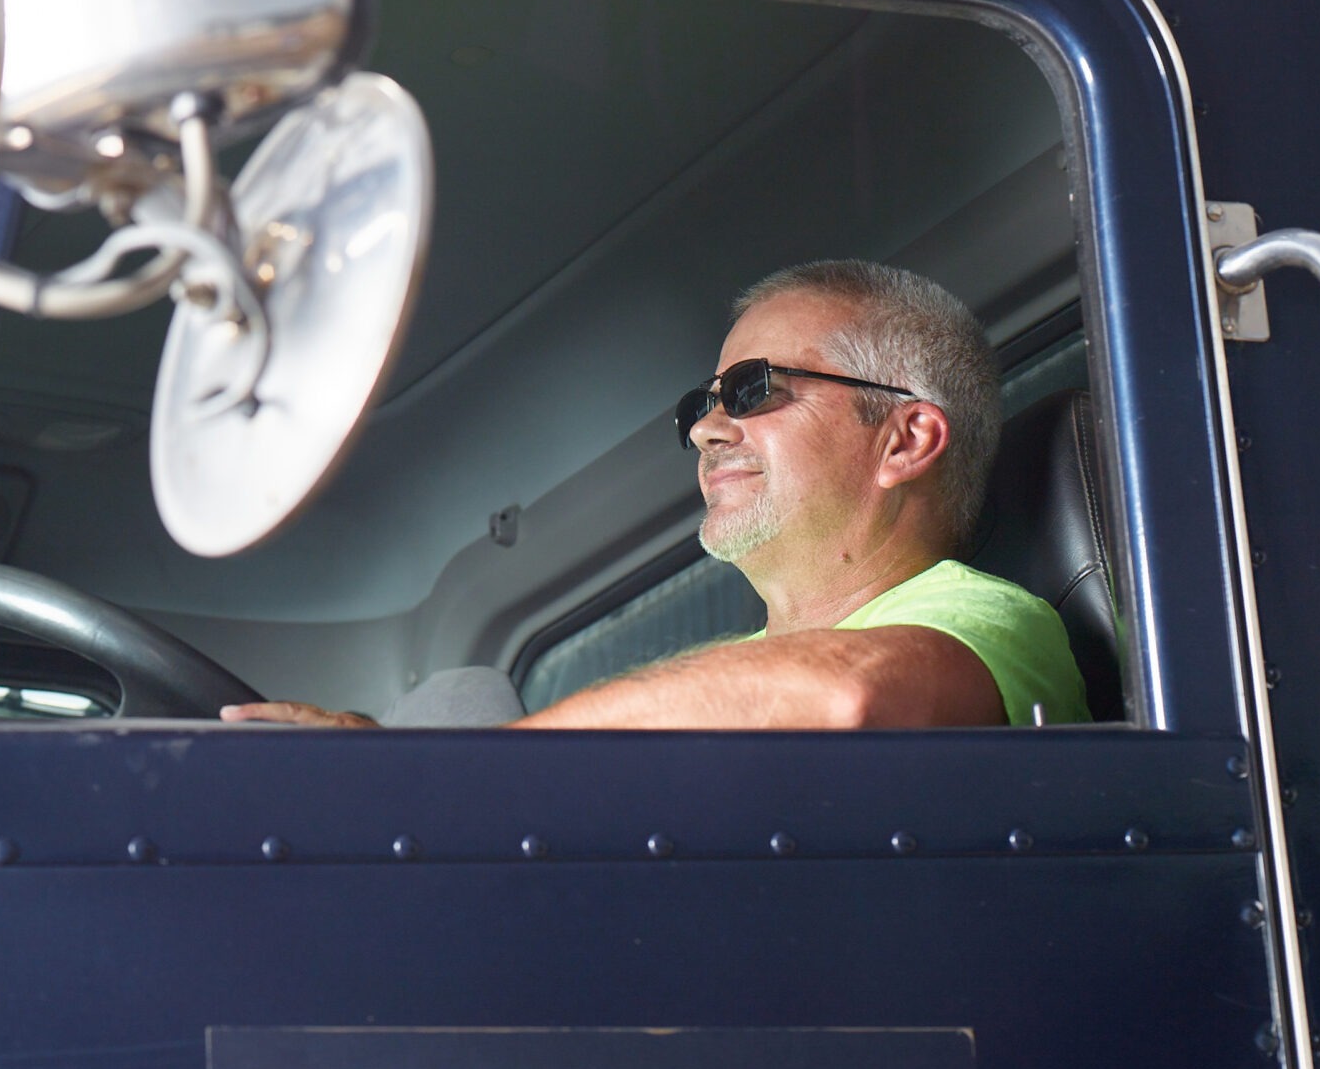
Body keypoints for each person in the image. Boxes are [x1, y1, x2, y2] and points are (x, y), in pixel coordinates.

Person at [223, 259, 1091, 730]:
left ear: (904, 440)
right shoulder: (738, 678)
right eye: (700, 407)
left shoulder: (994, 622)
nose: (709, 429)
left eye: (752, 390)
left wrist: (456, 779)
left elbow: (849, 698)